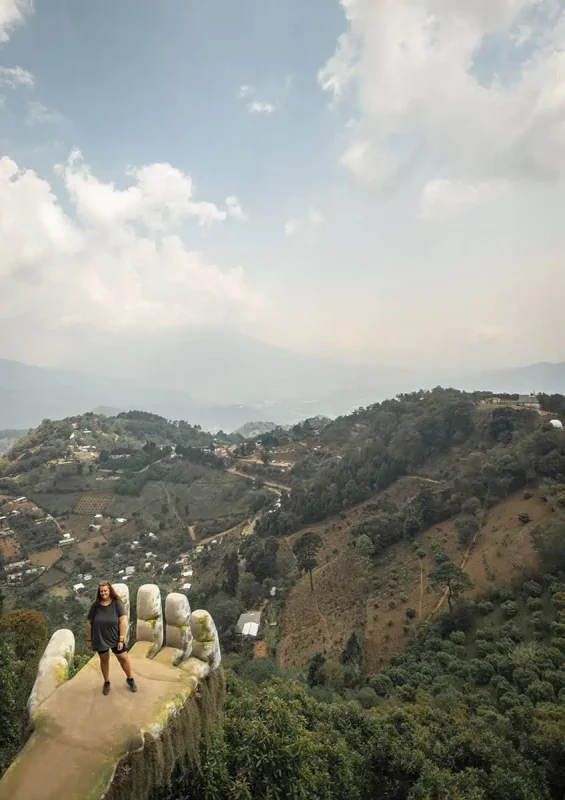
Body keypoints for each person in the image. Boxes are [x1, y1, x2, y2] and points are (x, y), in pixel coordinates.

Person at [86, 581, 137, 695]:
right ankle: (106, 682)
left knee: (123, 658)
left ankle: (130, 679)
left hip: (115, 638)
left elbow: (122, 622)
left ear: (109, 591)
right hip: (100, 638)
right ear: (99, 592)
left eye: (105, 591)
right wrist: (89, 640)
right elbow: (89, 623)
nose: (103, 593)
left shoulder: (116, 604)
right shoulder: (96, 606)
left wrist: (121, 639)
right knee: (104, 660)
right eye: (101, 591)